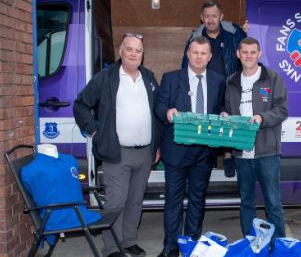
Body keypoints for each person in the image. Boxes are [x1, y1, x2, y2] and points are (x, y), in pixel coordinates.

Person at [73, 33, 160, 257]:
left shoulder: (149, 78)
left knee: (135, 201)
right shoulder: (107, 77)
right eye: (129, 49)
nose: (134, 53)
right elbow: (81, 104)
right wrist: (95, 132)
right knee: (115, 202)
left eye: (138, 50)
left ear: (143, 54)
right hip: (116, 153)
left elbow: (156, 114)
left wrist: (156, 146)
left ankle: (129, 241)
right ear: (121, 51)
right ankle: (112, 248)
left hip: (144, 153)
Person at [155, 36, 225, 257]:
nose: (199, 56)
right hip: (176, 151)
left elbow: (221, 106)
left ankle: (192, 245)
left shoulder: (218, 80)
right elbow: (159, 106)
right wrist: (167, 113)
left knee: (197, 199)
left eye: (203, 53)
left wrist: (224, 113)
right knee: (173, 201)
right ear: (188, 53)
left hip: (204, 152)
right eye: (195, 52)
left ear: (210, 56)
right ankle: (171, 247)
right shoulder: (171, 78)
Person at [223, 37, 288, 241]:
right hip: (242, 152)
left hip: (267, 151)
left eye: (253, 52)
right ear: (238, 54)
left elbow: (282, 109)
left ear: (259, 54)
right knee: (247, 202)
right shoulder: (231, 81)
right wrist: (225, 115)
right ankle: (250, 243)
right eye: (245, 52)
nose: (248, 56)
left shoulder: (272, 78)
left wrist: (262, 118)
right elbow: (226, 106)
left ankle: (279, 246)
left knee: (273, 202)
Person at [182, 0, 246, 177]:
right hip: (206, 87)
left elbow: (248, 50)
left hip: (231, 84)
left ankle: (227, 156)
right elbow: (184, 64)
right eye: (207, 16)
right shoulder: (195, 37)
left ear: (221, 16)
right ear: (202, 18)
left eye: (214, 16)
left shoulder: (234, 32)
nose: (211, 20)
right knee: (209, 121)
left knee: (228, 119)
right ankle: (207, 158)